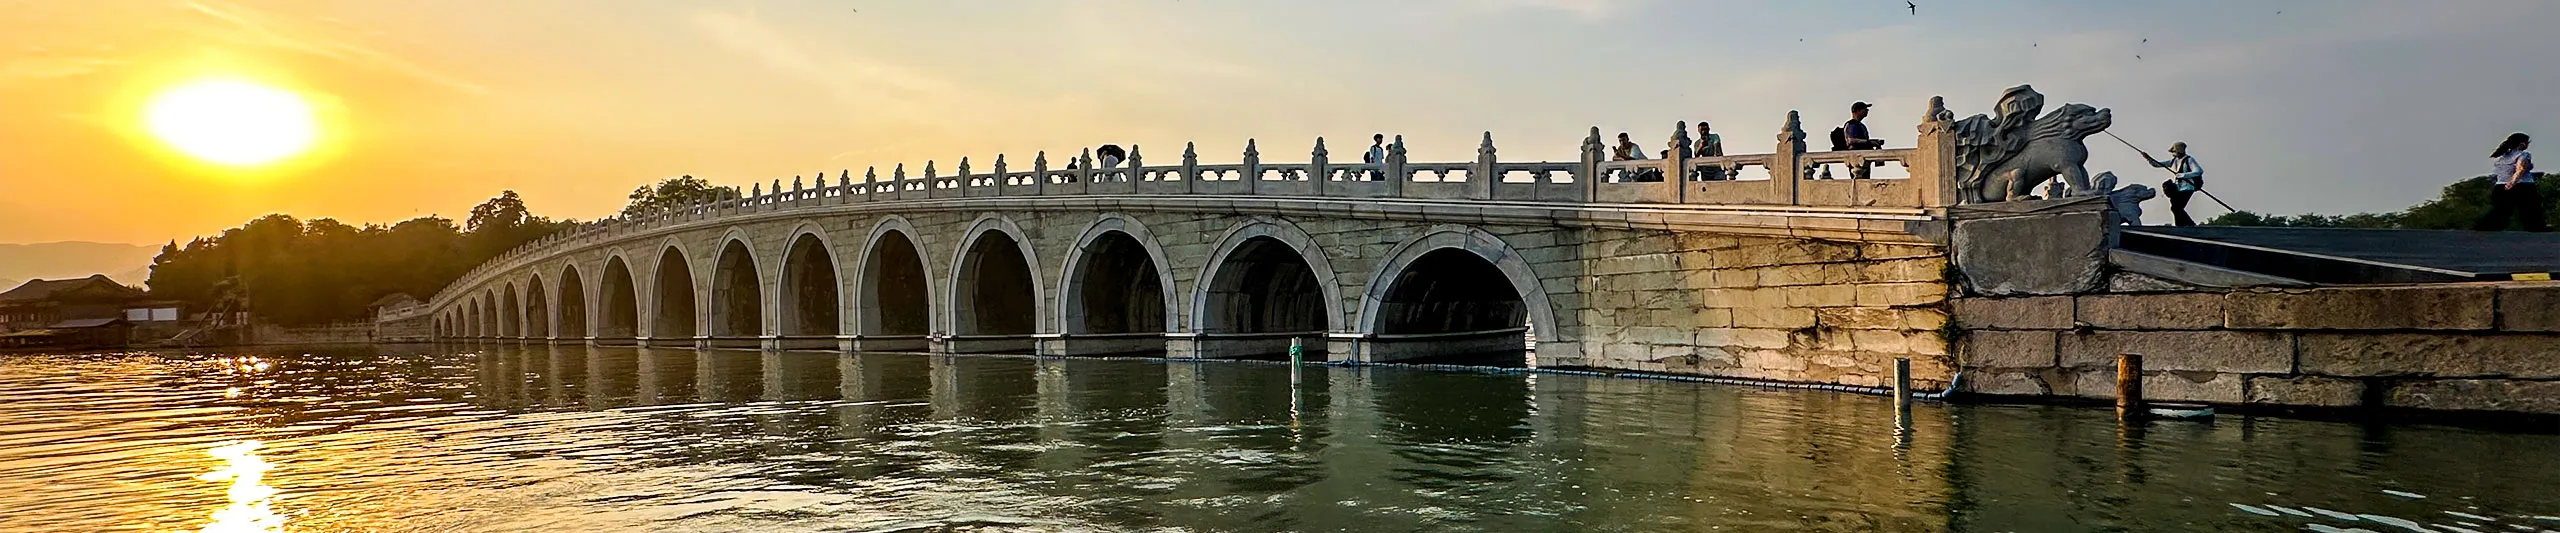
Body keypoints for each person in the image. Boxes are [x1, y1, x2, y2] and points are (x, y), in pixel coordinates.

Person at [2475, 133, 2546, 232]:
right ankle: (2536, 227)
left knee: (2501, 209)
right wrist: (2512, 183)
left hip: (2500, 186)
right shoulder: (2523, 155)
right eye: (2527, 142)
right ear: (2522, 144)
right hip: (2523, 186)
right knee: (2530, 208)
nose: (2528, 145)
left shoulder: (2502, 157)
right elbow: (2520, 169)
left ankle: (2485, 226)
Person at [2142, 141, 2206, 227]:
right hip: (2177, 188)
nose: (2173, 154)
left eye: (2174, 151)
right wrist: (2148, 158)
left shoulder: (2189, 160)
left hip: (2187, 187)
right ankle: (2181, 225)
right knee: (2175, 208)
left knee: (2176, 208)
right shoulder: (2174, 161)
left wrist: (2184, 175)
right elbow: (2157, 164)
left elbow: (2198, 171)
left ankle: (2190, 225)